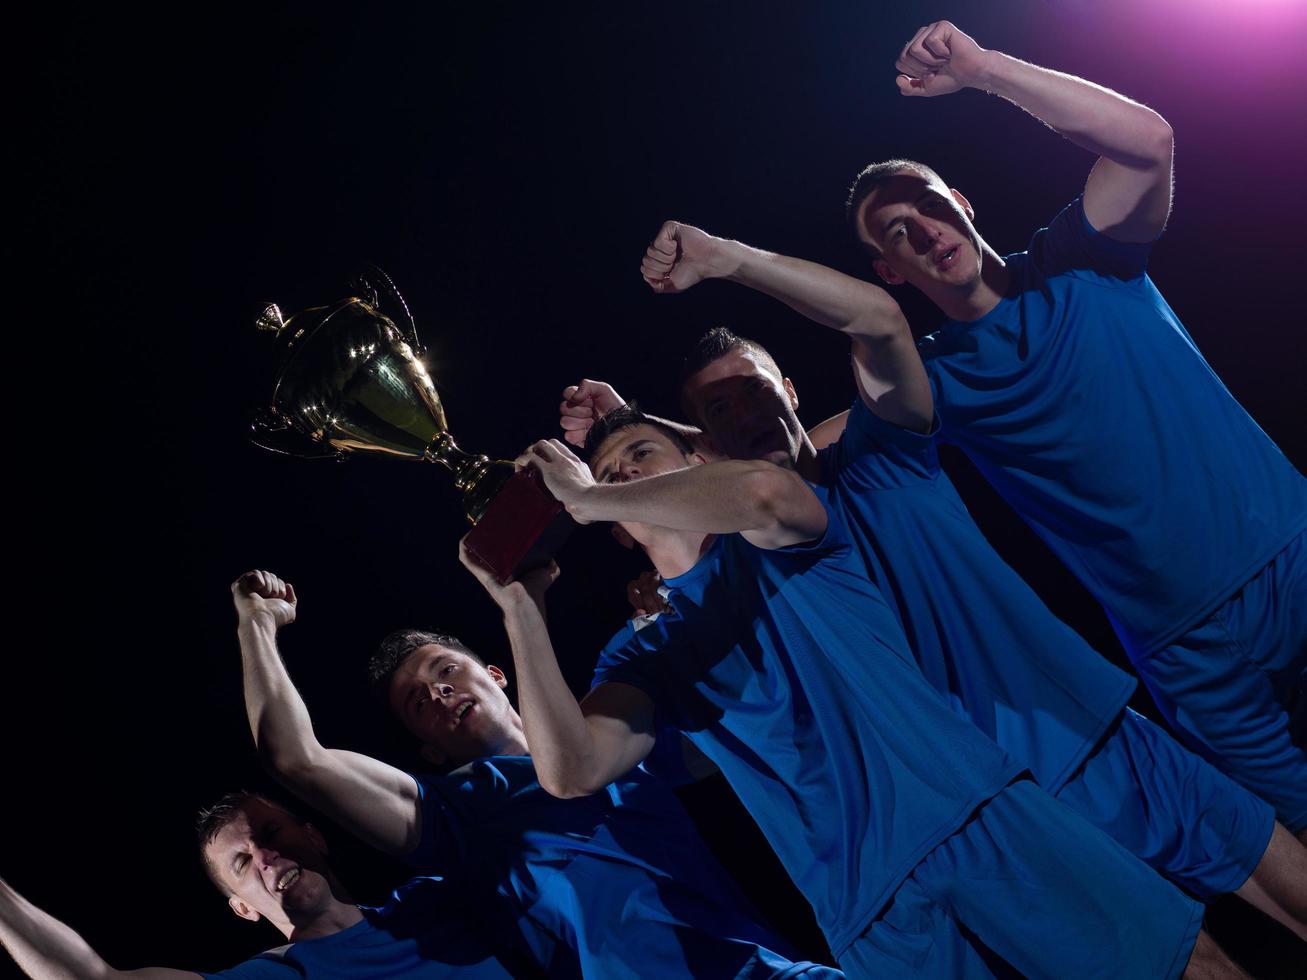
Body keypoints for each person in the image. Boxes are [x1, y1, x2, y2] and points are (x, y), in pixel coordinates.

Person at [610, 210, 1307, 937]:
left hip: (1081, 728)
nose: (743, 410)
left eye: (753, 388)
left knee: (1281, 877)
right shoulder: (749, 557)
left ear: (788, 389)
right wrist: (630, 449)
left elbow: (877, 319)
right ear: (702, 444)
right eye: (717, 409)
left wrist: (728, 258)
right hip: (989, 811)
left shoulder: (886, 450)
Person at [466, 410, 1240, 979]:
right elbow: (571, 771)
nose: (626, 475)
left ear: (694, 462)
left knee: (1182, 968)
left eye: (642, 454)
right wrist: (520, 608)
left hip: (976, 818)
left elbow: (763, 494)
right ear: (619, 535)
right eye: (610, 475)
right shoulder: (641, 648)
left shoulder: (781, 535)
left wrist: (589, 496)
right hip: (868, 913)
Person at [841, 20, 1307, 838]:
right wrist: (633, 439)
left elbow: (1147, 142)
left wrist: (985, 70)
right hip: (1187, 654)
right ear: (889, 271)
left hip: (1290, 555)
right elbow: (796, 445)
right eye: (895, 235)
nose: (921, 230)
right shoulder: (935, 379)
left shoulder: (1080, 260)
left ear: (961, 202)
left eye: (926, 204)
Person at [230, 570, 837, 978]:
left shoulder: (614, 736)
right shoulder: (453, 812)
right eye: (419, 703)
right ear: (429, 751)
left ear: (495, 673)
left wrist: (676, 619)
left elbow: (772, 723)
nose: (438, 692)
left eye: (446, 671)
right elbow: (296, 759)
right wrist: (256, 624)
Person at [0, 791, 524, 979]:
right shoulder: (283, 976)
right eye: (242, 863)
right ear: (242, 910)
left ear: (315, 836)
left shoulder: (437, 897)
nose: (266, 856)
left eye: (269, 833)